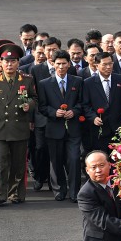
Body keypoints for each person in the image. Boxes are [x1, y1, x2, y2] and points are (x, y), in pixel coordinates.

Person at [0, 44, 37, 205]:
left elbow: (35, 98)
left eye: (13, 61)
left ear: (18, 63)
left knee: (18, 165)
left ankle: (16, 194)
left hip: (19, 128)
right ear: (1, 63)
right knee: (0, 164)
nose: (9, 64)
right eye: (6, 61)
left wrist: (29, 105)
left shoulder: (26, 79)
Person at [37, 50, 84, 202]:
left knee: (74, 159)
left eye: (64, 63)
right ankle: (59, 190)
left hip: (73, 129)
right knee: (56, 161)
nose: (61, 67)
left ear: (69, 64)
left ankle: (75, 192)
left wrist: (74, 111)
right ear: (52, 64)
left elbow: (82, 103)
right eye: (58, 64)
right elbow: (42, 106)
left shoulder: (77, 81)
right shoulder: (44, 84)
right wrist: (53, 112)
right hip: (54, 128)